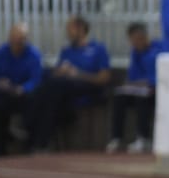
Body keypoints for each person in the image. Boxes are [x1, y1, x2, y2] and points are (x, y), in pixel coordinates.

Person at [29, 15, 112, 151]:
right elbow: (56, 75)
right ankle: (40, 141)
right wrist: (60, 71)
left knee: (53, 89)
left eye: (70, 28)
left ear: (81, 29)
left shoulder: (98, 49)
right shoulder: (66, 51)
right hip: (64, 88)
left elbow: (104, 78)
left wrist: (78, 74)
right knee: (50, 87)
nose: (67, 32)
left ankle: (32, 130)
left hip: (87, 85)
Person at [0, 23, 44, 155]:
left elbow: (36, 79)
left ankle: (31, 145)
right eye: (14, 39)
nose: (17, 42)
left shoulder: (34, 54)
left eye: (21, 39)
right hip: (4, 95)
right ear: (9, 38)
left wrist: (23, 88)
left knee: (37, 100)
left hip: (24, 96)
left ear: (26, 39)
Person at [108, 23, 161, 152]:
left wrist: (147, 83)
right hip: (141, 89)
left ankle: (144, 138)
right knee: (119, 97)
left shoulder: (159, 48)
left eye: (138, 39)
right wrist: (130, 85)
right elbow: (133, 76)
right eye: (132, 40)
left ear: (145, 36)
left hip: (158, 90)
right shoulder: (135, 52)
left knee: (142, 98)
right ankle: (117, 138)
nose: (136, 43)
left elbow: (161, 75)